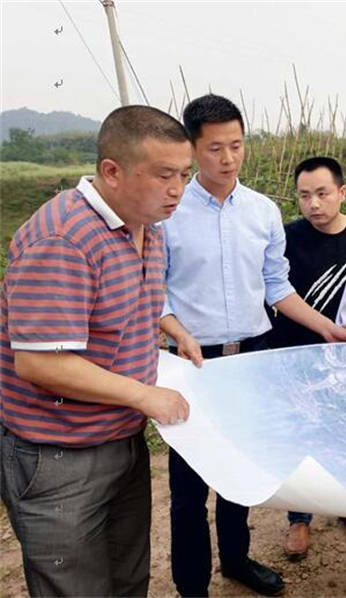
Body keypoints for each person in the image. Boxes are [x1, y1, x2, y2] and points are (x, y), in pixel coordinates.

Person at [160, 94, 346, 597]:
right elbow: (153, 292)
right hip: (193, 363)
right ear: (192, 149)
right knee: (188, 489)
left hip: (252, 357)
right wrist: (176, 331)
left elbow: (277, 287)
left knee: (240, 470)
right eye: (215, 149)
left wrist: (326, 327)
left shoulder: (262, 211)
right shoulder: (168, 214)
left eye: (236, 145)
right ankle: (191, 587)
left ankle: (236, 560)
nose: (228, 158)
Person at [0, 105, 192, 597]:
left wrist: (172, 329)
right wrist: (145, 395)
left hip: (120, 436)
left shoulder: (148, 226)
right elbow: (39, 362)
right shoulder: (64, 239)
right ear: (112, 171)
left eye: (184, 174)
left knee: (128, 577)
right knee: (75, 587)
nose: (177, 189)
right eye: (164, 175)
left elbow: (125, 309)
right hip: (60, 453)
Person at [268, 156, 346, 559]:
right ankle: (299, 517)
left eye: (322, 194)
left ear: (342, 192)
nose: (314, 204)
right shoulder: (287, 239)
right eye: (304, 196)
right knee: (301, 434)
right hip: (299, 354)